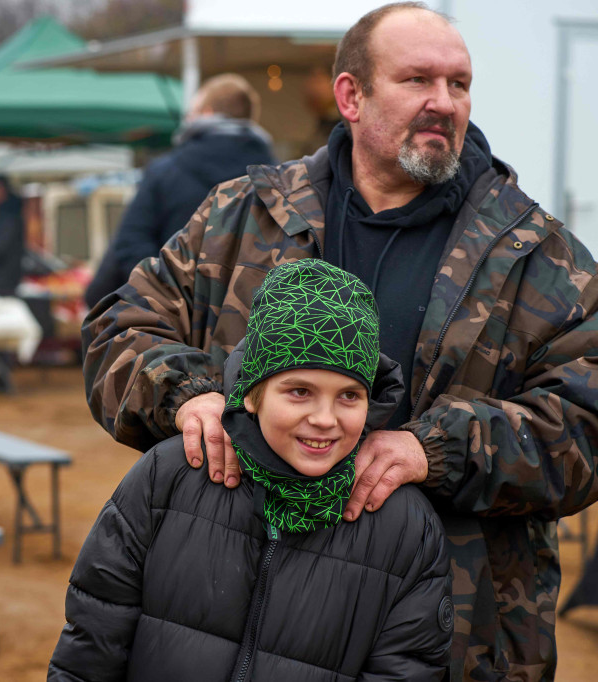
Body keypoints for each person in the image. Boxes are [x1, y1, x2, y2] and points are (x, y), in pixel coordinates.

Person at [81, 3, 598, 680]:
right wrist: (187, 395)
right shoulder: (246, 215)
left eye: (459, 84)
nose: (444, 103)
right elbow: (118, 330)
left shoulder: (536, 252)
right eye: (418, 80)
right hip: (233, 625)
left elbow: (587, 421)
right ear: (350, 95)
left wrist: (433, 450)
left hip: (451, 639)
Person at [53, 260, 451, 681]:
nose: (324, 418)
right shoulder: (168, 478)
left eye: (349, 395)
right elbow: (91, 645)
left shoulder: (406, 528)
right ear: (253, 394)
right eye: (299, 391)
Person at [85, 74, 277, 308]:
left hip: (176, 321)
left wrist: (169, 298)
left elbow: (130, 244)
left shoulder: (166, 170)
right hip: (252, 320)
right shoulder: (276, 177)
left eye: (191, 112)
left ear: (206, 113)